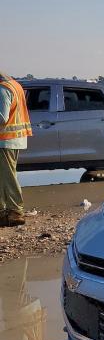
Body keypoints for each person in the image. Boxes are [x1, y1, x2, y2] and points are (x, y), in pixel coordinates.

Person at [0, 72, 33, 227]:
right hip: (13, 139)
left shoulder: (3, 89)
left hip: (5, 140)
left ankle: (15, 211)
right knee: (4, 176)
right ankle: (5, 211)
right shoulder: (15, 85)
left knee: (8, 176)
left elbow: (2, 117)